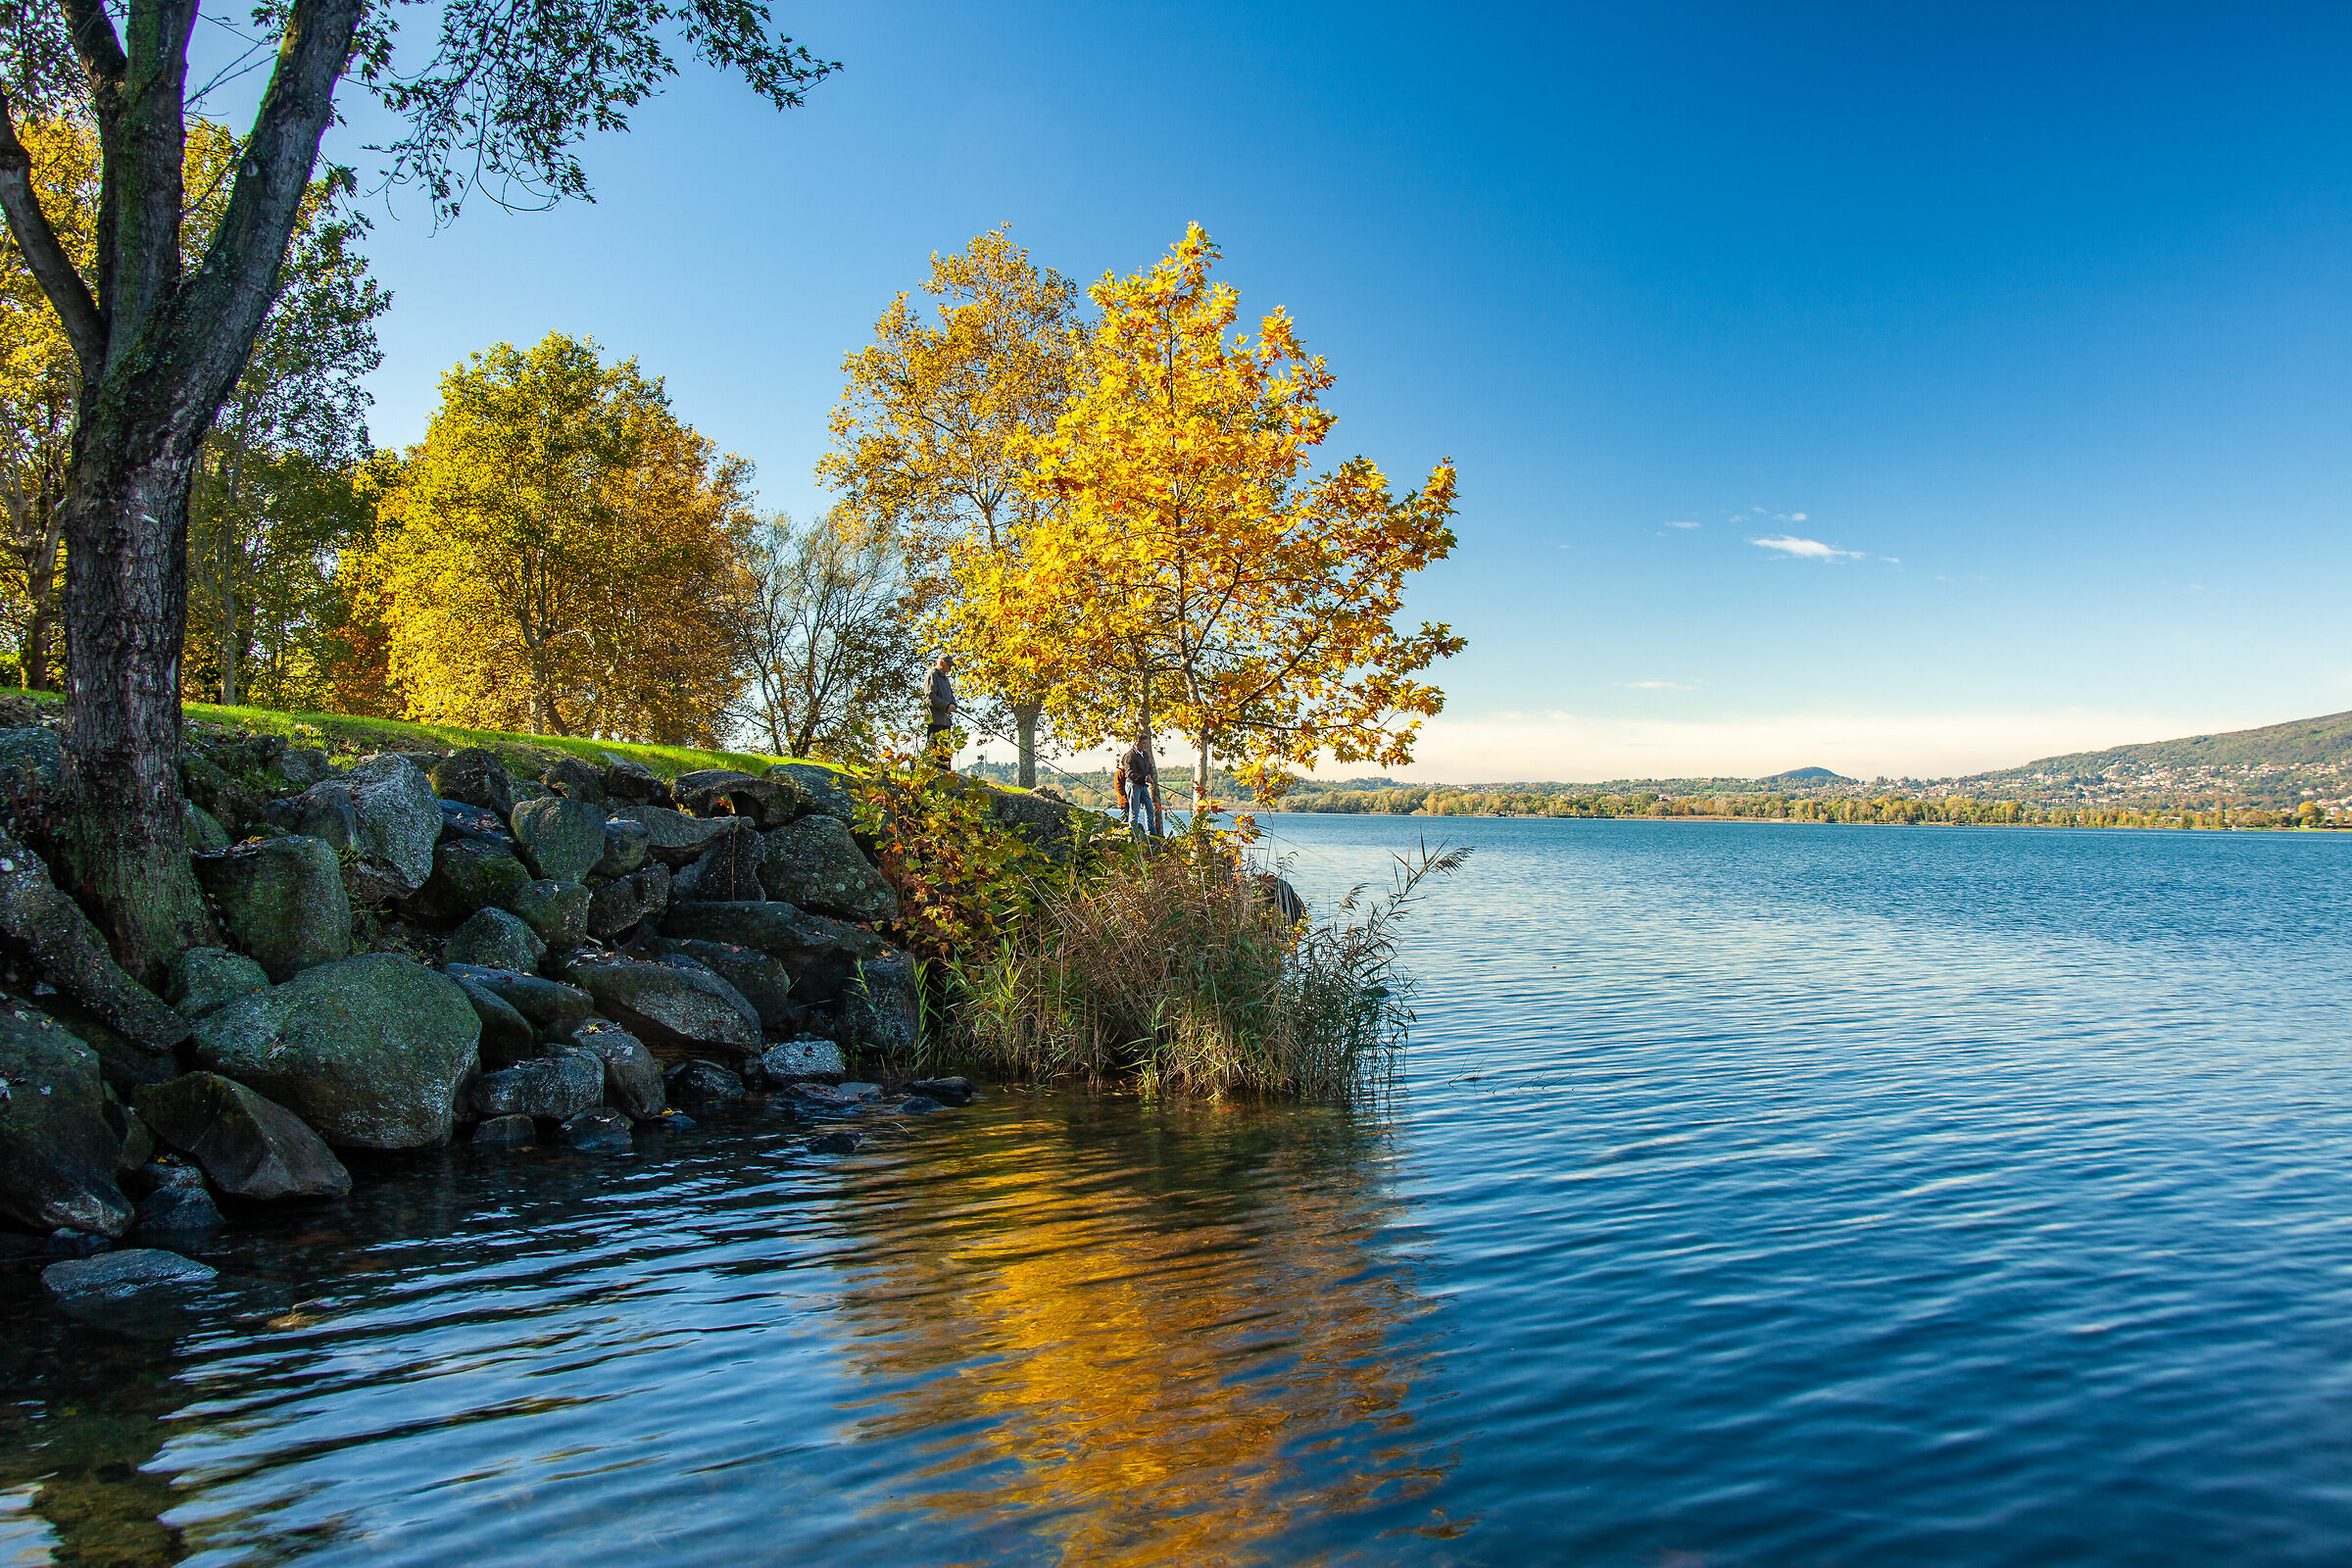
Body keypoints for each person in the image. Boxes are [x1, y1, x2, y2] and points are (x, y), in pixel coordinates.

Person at [1119, 730, 1161, 838]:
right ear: (1137, 743)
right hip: (1133, 785)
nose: (1145, 745)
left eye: (1146, 743)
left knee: (1149, 808)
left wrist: (1150, 776)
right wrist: (1144, 778)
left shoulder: (1145, 754)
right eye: (1143, 743)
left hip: (1143, 786)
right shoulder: (1130, 756)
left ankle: (1151, 832)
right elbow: (1129, 774)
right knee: (1135, 810)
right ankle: (1133, 832)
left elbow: (1150, 767)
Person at [923, 655, 956, 763]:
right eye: (949, 665)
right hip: (935, 721)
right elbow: (930, 698)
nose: (950, 668)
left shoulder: (945, 679)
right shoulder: (932, 676)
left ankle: (946, 778)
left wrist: (953, 704)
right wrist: (946, 706)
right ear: (941, 663)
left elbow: (951, 696)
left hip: (945, 722)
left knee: (946, 755)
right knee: (934, 754)